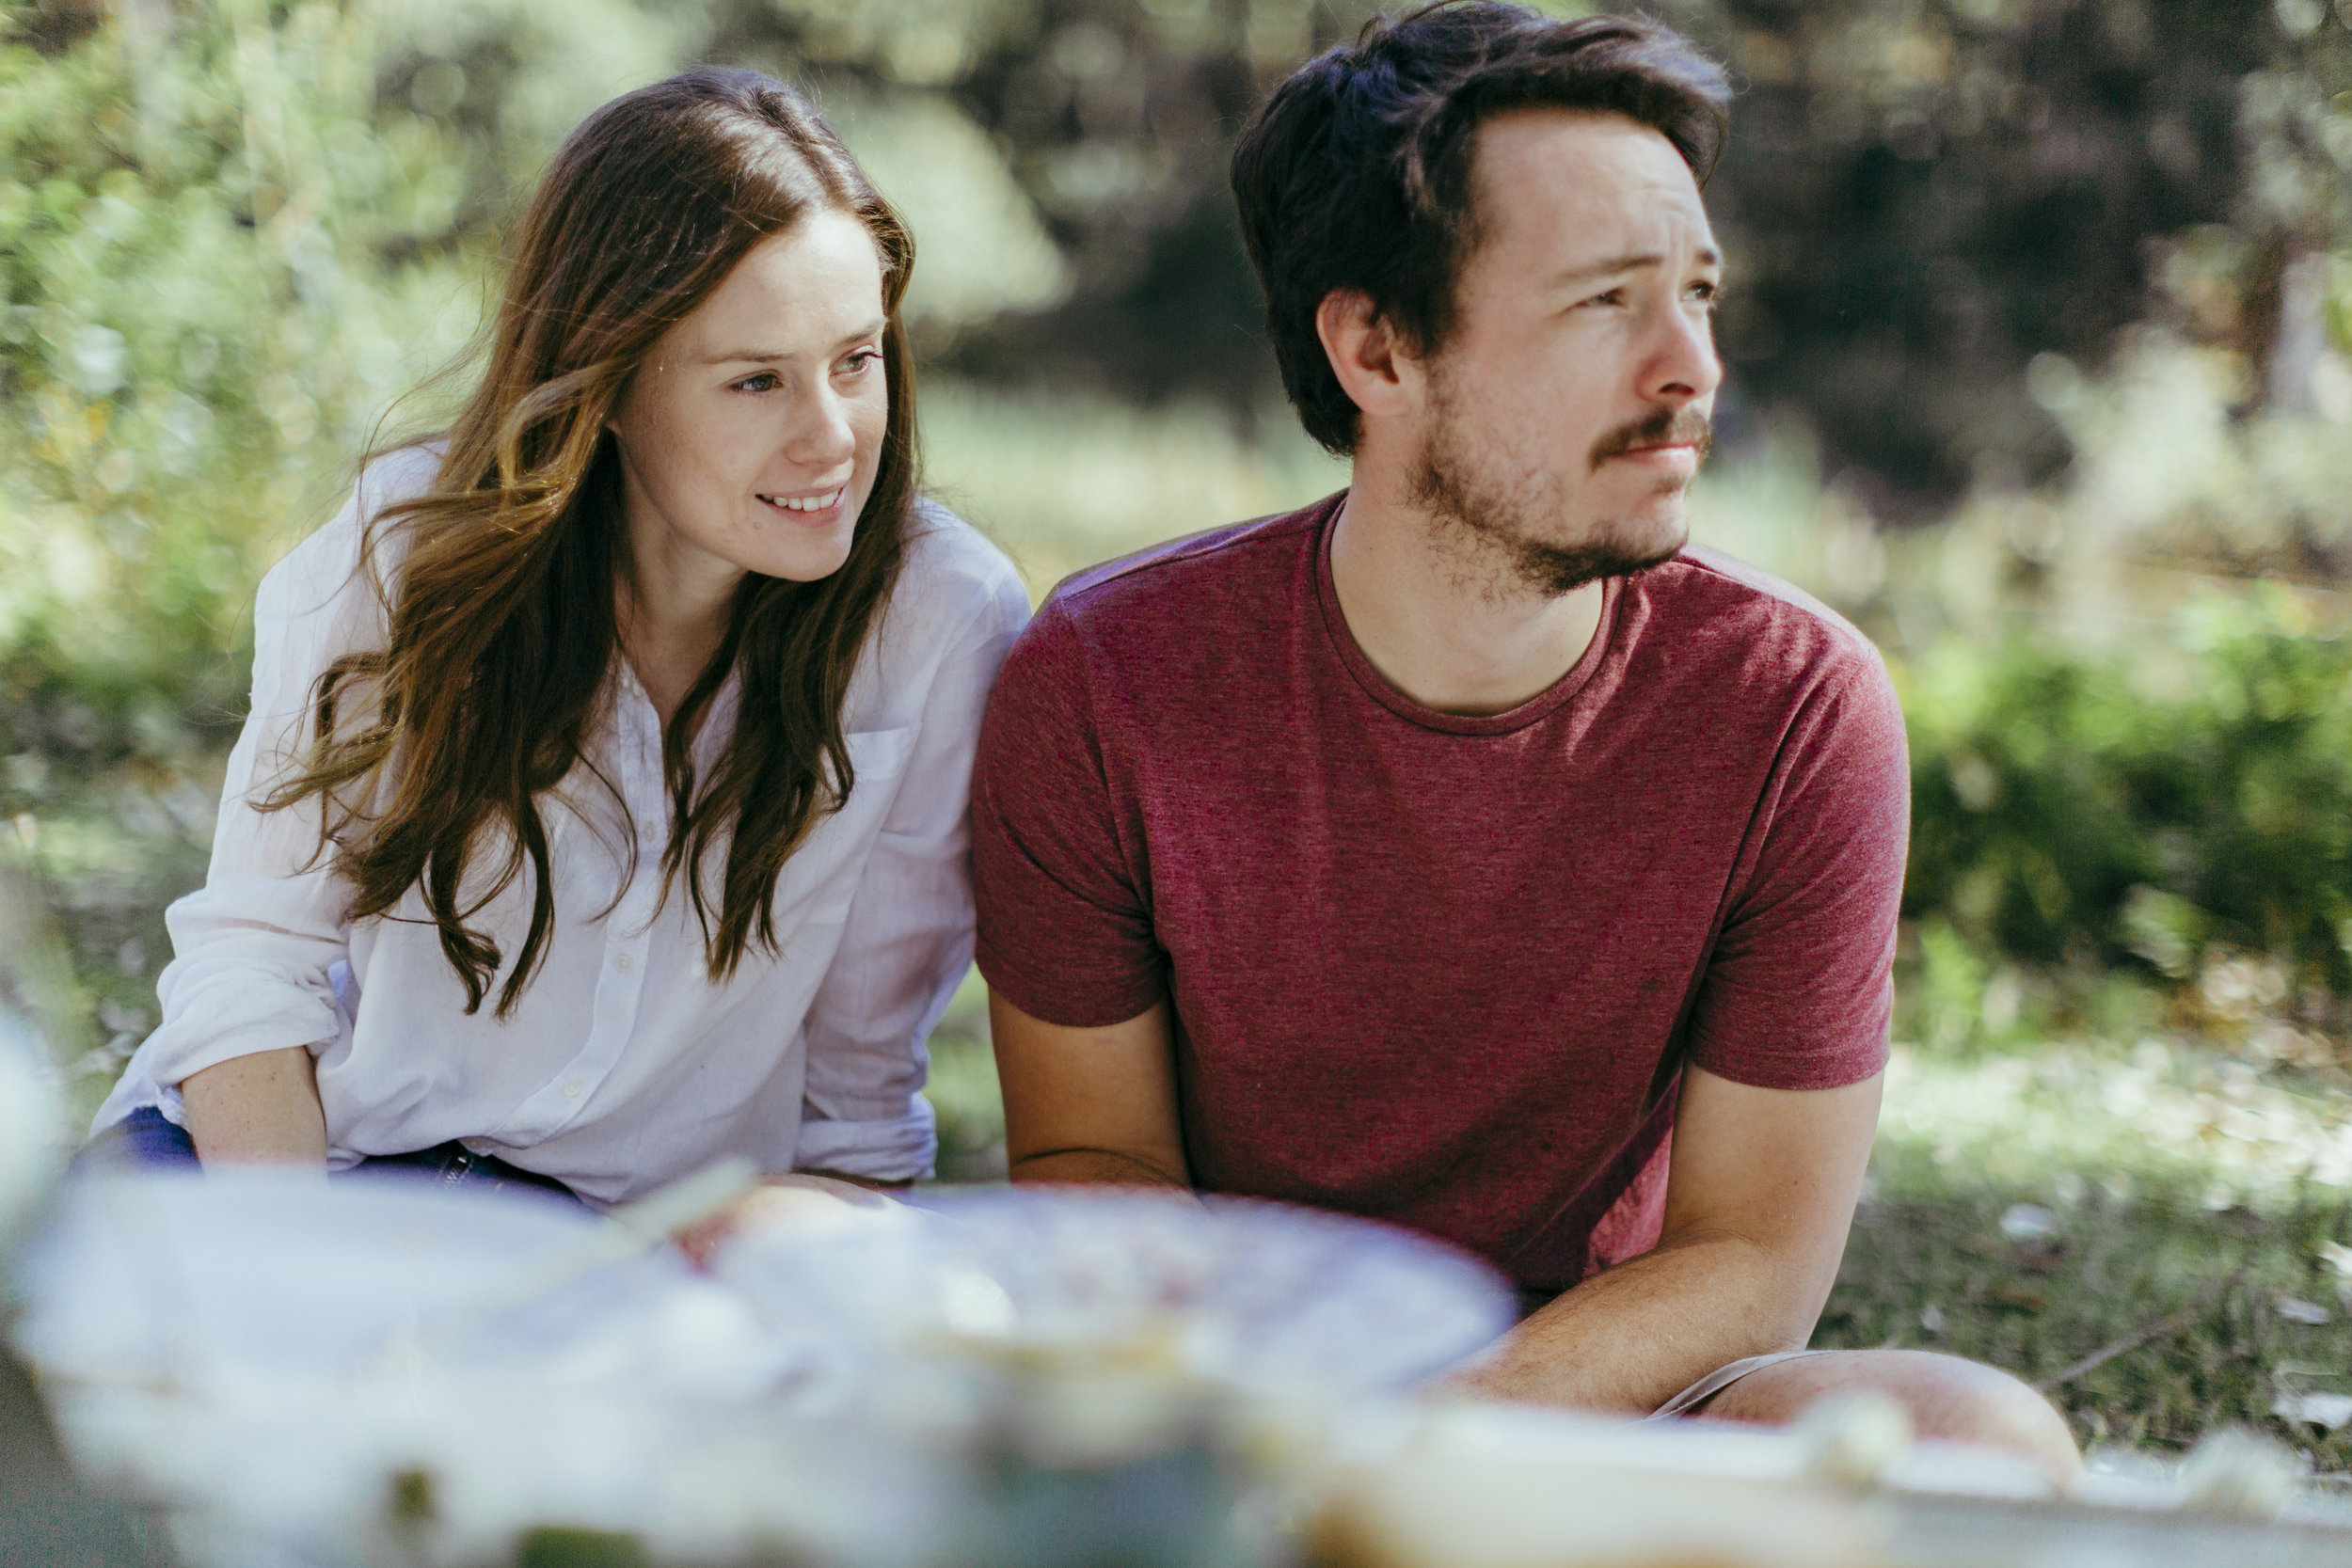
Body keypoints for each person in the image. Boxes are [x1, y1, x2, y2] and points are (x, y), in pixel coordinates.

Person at [969, 3, 2081, 1481]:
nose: (1691, 368)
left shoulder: (1796, 704)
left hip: (1613, 1397)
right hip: (1231, 1386)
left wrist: (1420, 1435)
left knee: (1984, 1447)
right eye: (1605, 303)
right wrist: (1266, 1421)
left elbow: (1751, 1250)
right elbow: (1092, 1165)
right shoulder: (1106, 679)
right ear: (1375, 347)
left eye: (1699, 293)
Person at [87, 69, 1030, 1213]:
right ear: (613, 384)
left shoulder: (942, 619)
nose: (831, 437)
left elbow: (855, 1111)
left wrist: (755, 1271)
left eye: (857, 359)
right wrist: (298, 1295)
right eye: (755, 380)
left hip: (607, 1251)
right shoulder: (409, 558)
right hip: (282, 1171)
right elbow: (250, 971)